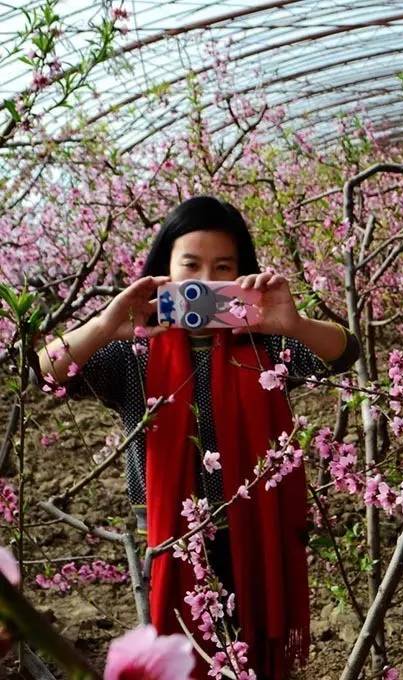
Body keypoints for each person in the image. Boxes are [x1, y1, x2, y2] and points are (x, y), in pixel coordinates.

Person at [36, 195, 361, 679]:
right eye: (190, 265)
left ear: (240, 273)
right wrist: (106, 326)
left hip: (254, 527)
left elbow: (343, 353)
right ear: (164, 268)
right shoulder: (134, 353)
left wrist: (291, 322)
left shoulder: (263, 339)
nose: (205, 281)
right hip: (171, 536)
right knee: (180, 654)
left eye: (222, 267)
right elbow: (48, 371)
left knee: (253, 646)